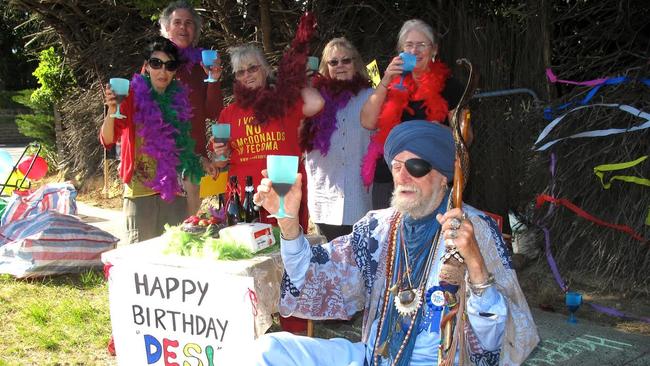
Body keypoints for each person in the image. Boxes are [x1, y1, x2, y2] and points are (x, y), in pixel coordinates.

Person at [247, 121, 539, 365]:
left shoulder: (474, 229)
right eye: (396, 165)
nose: (402, 175)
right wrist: (287, 222)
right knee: (269, 351)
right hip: (373, 357)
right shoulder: (376, 228)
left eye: (416, 165)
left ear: (443, 178)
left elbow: (496, 338)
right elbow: (311, 277)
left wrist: (474, 264)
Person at [212, 14, 323, 231]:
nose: (248, 75)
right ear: (236, 79)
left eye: (253, 68)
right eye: (241, 72)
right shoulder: (228, 114)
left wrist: (296, 80)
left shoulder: (284, 103)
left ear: (265, 70)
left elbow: (316, 102)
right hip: (242, 200)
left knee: (286, 255)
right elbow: (219, 163)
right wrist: (218, 154)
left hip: (282, 196)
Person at [100, 36, 204, 244]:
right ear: (146, 66)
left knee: (174, 257)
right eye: (156, 64)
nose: (163, 71)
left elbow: (185, 149)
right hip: (140, 195)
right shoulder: (130, 96)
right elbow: (107, 140)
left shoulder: (179, 102)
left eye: (170, 65)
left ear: (175, 70)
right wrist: (112, 111)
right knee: (141, 262)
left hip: (173, 194)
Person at [360, 19, 464, 210]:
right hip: (391, 175)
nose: (414, 51)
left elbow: (466, 137)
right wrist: (385, 80)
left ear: (434, 50)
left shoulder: (451, 87)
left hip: (430, 177)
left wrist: (442, 130)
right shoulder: (390, 83)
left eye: (421, 45)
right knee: (388, 235)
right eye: (409, 45)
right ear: (400, 51)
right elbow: (367, 121)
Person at [298, 37, 373, 241]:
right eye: (333, 62)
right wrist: (302, 83)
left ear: (355, 63)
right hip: (324, 201)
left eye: (345, 60)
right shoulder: (313, 99)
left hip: (359, 199)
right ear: (325, 66)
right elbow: (295, 136)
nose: (340, 66)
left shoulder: (370, 96)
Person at [159, 0, 224, 216]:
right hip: (160, 159)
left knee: (188, 227)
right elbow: (148, 114)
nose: (183, 27)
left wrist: (213, 80)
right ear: (167, 28)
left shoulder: (201, 66)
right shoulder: (155, 63)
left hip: (194, 160)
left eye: (188, 23)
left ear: (194, 30)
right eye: (177, 22)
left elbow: (214, 113)